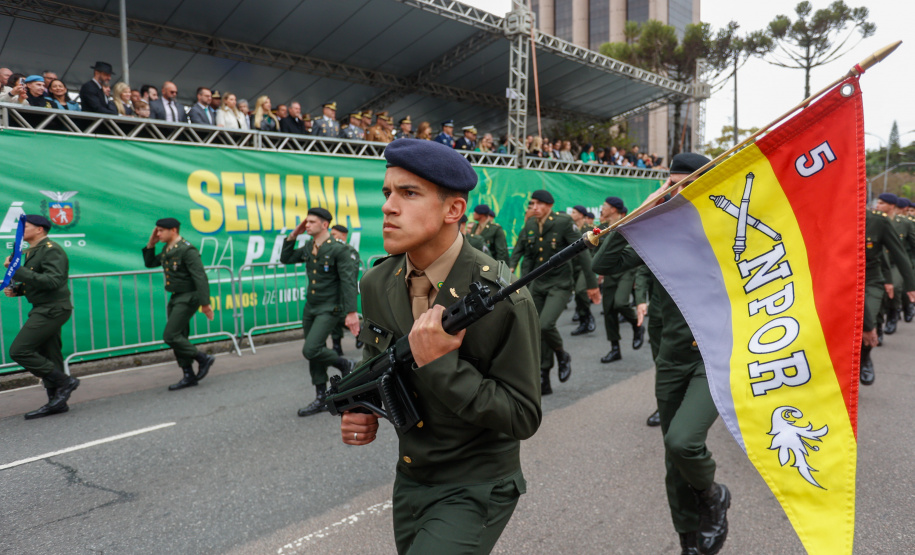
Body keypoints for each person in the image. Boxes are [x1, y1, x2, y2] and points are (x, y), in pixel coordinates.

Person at [340, 138, 541, 554]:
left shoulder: (503, 297)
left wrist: (442, 365)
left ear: (453, 210)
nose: (388, 206)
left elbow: (522, 416)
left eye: (408, 193)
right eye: (387, 193)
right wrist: (359, 406)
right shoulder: (377, 281)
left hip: (477, 484)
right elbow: (376, 363)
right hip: (411, 479)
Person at [592, 152, 730, 555]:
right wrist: (641, 213)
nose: (677, 191)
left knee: (683, 441)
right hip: (672, 357)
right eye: (671, 184)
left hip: (713, 356)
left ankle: (713, 495)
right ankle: (688, 539)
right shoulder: (659, 232)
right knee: (673, 460)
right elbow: (605, 260)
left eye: (686, 183)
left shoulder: (728, 229)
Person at [510, 190, 599, 395]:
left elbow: (582, 251)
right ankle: (544, 377)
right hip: (538, 284)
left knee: (545, 324)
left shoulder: (563, 222)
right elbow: (520, 253)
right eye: (533, 204)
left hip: (560, 283)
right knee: (537, 330)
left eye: (540, 204)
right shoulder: (530, 224)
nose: (536, 208)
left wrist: (592, 284)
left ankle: (561, 354)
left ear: (549, 206)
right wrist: (513, 277)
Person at [279, 208, 358, 416]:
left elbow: (348, 282)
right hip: (311, 306)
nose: (307, 225)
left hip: (329, 307)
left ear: (325, 225)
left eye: (311, 222)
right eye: (306, 222)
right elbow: (285, 258)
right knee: (315, 352)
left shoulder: (338, 249)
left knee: (311, 349)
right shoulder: (308, 246)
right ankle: (321, 397)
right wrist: (293, 235)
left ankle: (345, 363)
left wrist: (351, 312)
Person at [4, 215, 80, 420]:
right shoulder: (33, 251)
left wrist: (17, 271)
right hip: (44, 306)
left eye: (25, 227)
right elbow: (38, 280)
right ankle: (56, 401)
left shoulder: (51, 249)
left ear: (40, 229)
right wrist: (18, 290)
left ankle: (65, 382)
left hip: (52, 309)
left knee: (19, 350)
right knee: (50, 354)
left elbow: (53, 281)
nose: (21, 231)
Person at [142, 218, 216, 391]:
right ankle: (188, 374)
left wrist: (205, 304)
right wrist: (151, 243)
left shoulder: (186, 249)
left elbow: (200, 277)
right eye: (157, 231)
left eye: (160, 230)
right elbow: (150, 263)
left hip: (188, 296)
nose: (157, 233)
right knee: (180, 336)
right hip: (176, 296)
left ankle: (203, 358)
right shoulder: (168, 249)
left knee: (170, 335)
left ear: (173, 230)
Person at [860, 207, 915, 384]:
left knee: (869, 319)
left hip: (870, 279)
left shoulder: (878, 222)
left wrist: (910, 285)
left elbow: (899, 253)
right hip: (841, 277)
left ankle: (865, 358)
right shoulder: (833, 217)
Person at [595, 197, 643, 361]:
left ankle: (637, 327)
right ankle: (615, 348)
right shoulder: (601, 228)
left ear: (614, 209)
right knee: (608, 310)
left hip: (626, 270)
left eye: (605, 206)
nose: (602, 208)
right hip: (609, 273)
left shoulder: (628, 224)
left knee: (621, 302)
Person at [328, 224, 363, 355]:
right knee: (334, 315)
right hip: (333, 291)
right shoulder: (331, 250)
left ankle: (359, 332)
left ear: (343, 235)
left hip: (345, 291)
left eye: (334, 235)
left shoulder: (349, 251)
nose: (331, 238)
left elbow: (350, 274)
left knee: (341, 316)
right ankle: (337, 346)